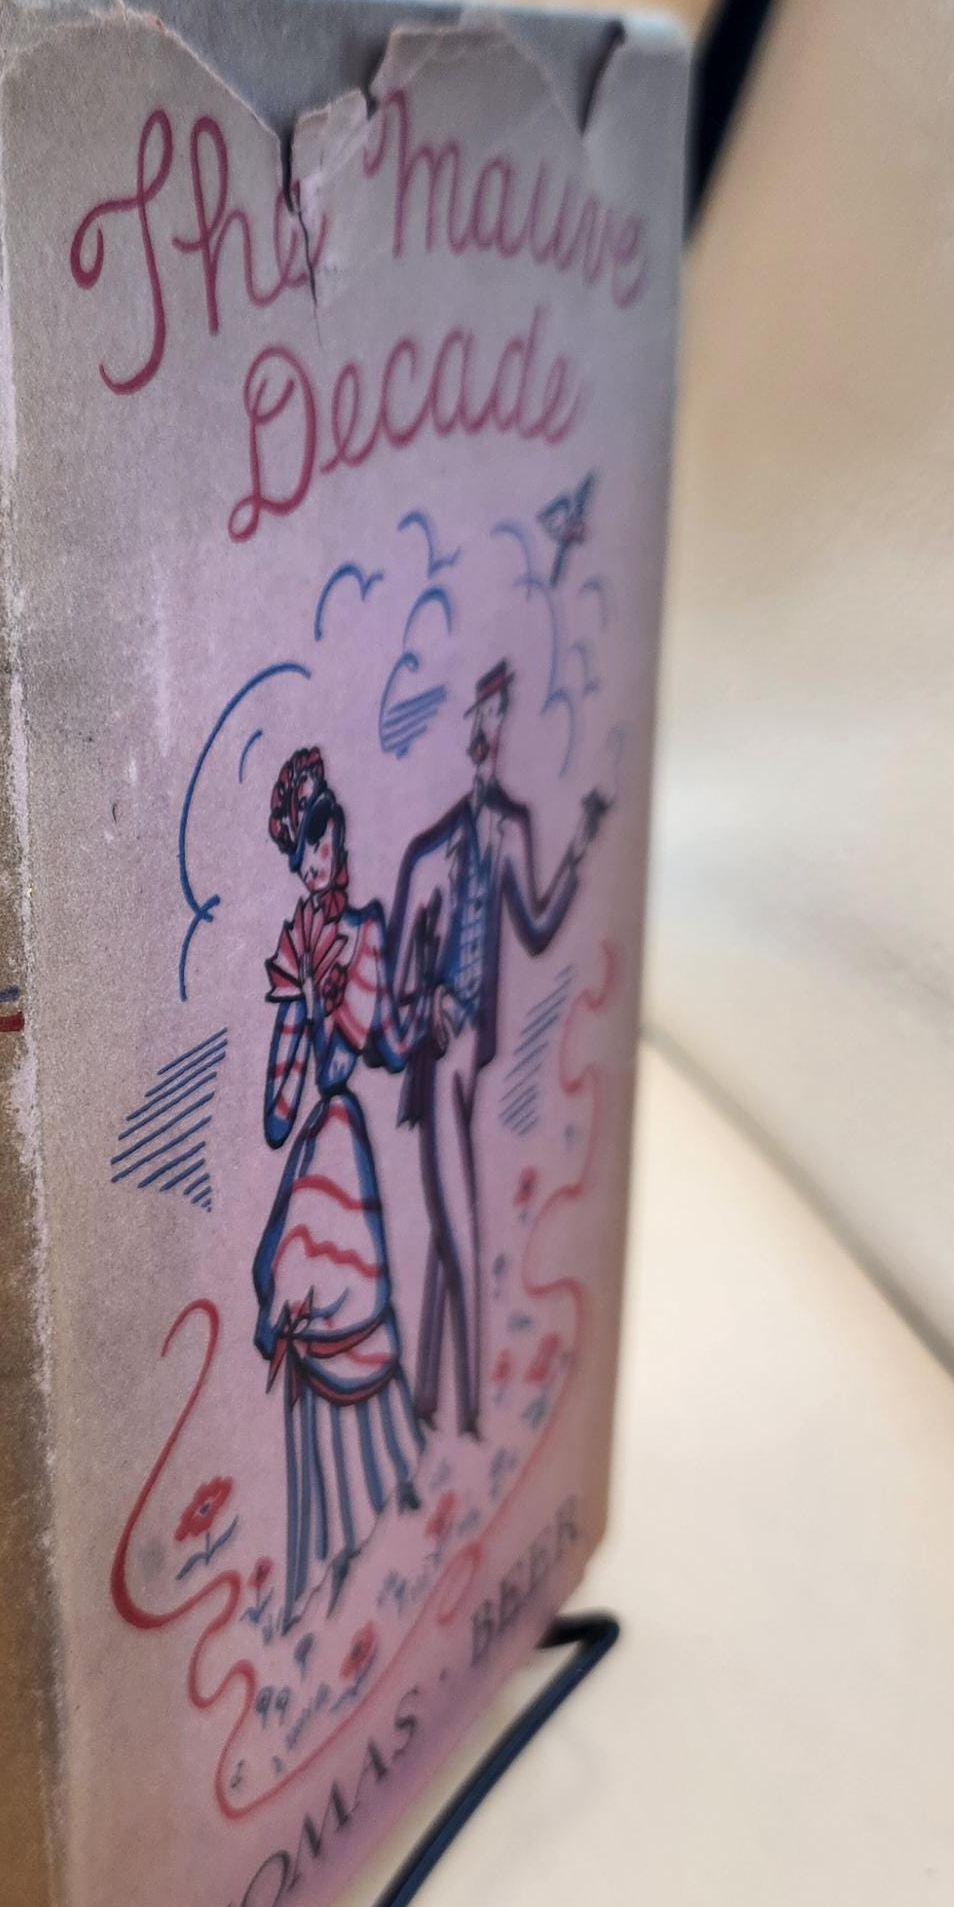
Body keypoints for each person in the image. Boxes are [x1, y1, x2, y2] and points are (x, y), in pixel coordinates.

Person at [386, 664, 608, 1437]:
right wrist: (427, 1006)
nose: (491, 733)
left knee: (445, 1226)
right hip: (439, 1064)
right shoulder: (427, 857)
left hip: (474, 1064)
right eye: (480, 718)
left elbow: (538, 928)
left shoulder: (510, 828)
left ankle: (426, 1396)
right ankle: (474, 1415)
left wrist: (579, 848)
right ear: (463, 732)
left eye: (499, 717)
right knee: (465, 1230)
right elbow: (392, 1000)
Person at [253, 746, 424, 1628]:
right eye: (304, 851)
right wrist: (301, 1013)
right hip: (316, 1147)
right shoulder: (299, 948)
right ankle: (319, 1542)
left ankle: (381, 1499)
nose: (316, 860)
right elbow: (281, 1109)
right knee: (296, 1313)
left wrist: (355, 1008)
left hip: (344, 1146)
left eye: (324, 842)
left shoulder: (363, 934)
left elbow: (376, 1047)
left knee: (351, 1316)